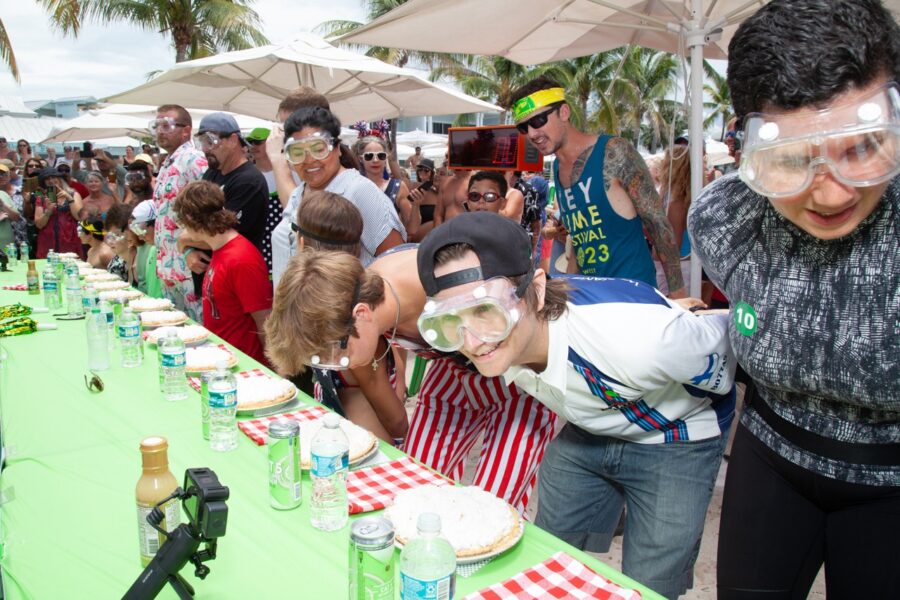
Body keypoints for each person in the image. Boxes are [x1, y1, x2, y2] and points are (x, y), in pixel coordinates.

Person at [687, 1, 900, 597]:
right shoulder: (726, 222)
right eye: (790, 160)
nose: (829, 191)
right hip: (771, 457)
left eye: (860, 148)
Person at [416, 212, 735, 599]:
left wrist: (679, 319)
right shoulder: (502, 344)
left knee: (651, 580)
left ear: (535, 286)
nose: (473, 340)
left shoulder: (641, 343)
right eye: (451, 320)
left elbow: (728, 341)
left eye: (487, 310)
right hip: (590, 428)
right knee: (548, 553)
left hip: (676, 436)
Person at [265, 239, 558, 514]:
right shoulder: (355, 316)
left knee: (492, 507)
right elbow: (389, 426)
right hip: (455, 377)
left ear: (362, 313)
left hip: (520, 377)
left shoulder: (434, 284)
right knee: (414, 490)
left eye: (334, 355)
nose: (338, 366)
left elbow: (528, 332)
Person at [508, 77, 686, 297]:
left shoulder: (614, 152)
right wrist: (569, 292)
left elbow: (659, 225)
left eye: (538, 121)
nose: (532, 134)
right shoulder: (556, 168)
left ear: (564, 112)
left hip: (635, 297)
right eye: (524, 127)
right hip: (593, 298)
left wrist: (679, 296)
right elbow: (579, 243)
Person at [271, 106, 405, 287]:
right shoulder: (298, 193)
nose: (309, 159)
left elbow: (397, 263)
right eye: (297, 152)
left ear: (337, 149)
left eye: (319, 148)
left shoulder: (359, 191)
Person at [173, 181, 271, 365]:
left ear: (190, 218)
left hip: (245, 366)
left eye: (182, 222)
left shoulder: (240, 258)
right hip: (224, 361)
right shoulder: (220, 249)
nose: (182, 229)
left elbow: (265, 321)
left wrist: (275, 374)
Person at [189, 113, 269, 296]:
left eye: (210, 140)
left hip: (236, 284)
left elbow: (220, 235)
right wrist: (189, 252)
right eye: (201, 141)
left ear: (233, 140)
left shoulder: (249, 181)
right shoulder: (212, 174)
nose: (205, 148)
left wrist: (184, 240)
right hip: (211, 280)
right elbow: (190, 220)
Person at [151, 104, 208, 321]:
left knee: (199, 335)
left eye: (167, 126)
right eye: (156, 126)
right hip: (169, 267)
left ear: (186, 131)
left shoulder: (194, 160)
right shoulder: (167, 163)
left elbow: (211, 207)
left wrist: (193, 248)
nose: (160, 131)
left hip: (189, 268)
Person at [357, 135, 417, 236]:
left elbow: (412, 229)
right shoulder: (353, 185)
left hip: (390, 249)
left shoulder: (398, 187)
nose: (375, 160)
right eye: (369, 156)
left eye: (381, 156)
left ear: (386, 158)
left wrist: (416, 205)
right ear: (360, 159)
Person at [655, 145, 693, 295]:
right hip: (680, 263)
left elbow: (672, 246)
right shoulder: (673, 194)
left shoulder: (677, 202)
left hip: (675, 265)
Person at [34, 168, 83, 258]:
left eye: (53, 177)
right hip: (48, 241)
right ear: (44, 182)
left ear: (60, 178)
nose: (51, 181)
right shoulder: (40, 197)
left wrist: (69, 199)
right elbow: (39, 225)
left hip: (70, 239)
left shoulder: (73, 193)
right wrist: (48, 211)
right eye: (47, 179)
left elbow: (79, 217)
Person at [129, 200, 162, 298]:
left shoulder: (171, 252)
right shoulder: (152, 250)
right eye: (136, 231)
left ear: (156, 224)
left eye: (141, 230)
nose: (139, 237)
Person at [407, 158, 439, 241]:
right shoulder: (413, 186)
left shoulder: (437, 190)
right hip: (416, 235)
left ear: (432, 173)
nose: (422, 172)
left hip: (433, 236)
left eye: (426, 170)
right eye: (420, 170)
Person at [104, 203, 133, 282]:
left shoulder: (141, 261)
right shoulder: (116, 262)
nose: (110, 242)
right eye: (110, 235)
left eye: (116, 235)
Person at [0, 163, 22, 249]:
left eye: (3, 174)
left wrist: (3, 206)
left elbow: (16, 217)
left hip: (9, 247)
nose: (1, 177)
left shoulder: (3, 194)